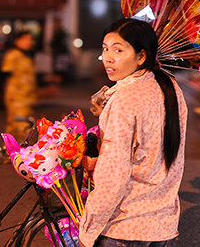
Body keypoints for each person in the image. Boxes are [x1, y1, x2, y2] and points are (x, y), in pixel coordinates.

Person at [79, 18, 187, 247]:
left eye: (118, 50)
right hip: (163, 229)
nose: (108, 57)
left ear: (141, 56)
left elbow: (113, 177)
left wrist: (88, 231)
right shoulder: (170, 87)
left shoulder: (125, 100)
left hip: (124, 229)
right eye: (105, 49)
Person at [0, 30, 38, 140]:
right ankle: (22, 155)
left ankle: (10, 154)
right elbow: (4, 73)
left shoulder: (27, 57)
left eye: (31, 39)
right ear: (17, 41)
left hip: (26, 99)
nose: (30, 42)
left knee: (13, 128)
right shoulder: (13, 55)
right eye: (26, 39)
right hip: (16, 99)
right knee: (23, 129)